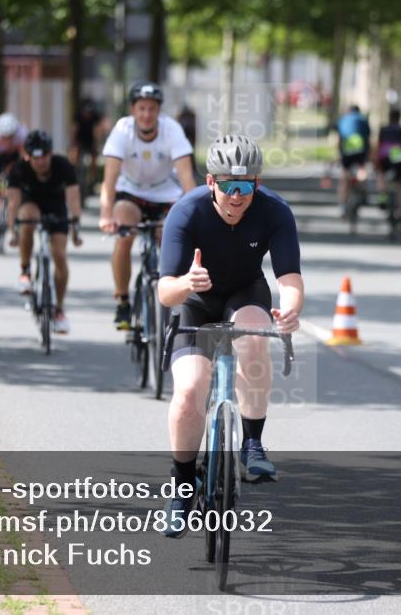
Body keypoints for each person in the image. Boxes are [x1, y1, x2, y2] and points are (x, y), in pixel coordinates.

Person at [157, 134, 303, 538]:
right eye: (228, 185)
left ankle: (253, 443)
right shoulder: (187, 212)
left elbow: (289, 277)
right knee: (189, 390)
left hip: (245, 292)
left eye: (245, 186)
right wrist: (186, 283)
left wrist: (291, 309)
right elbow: (164, 291)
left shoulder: (275, 211)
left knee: (255, 338)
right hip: (195, 300)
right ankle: (183, 484)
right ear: (210, 182)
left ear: (257, 183)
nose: (236, 196)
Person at [98, 81, 197, 329]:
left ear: (158, 111)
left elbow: (187, 178)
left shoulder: (172, 129)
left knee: (172, 238)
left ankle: (177, 299)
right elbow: (109, 180)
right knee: (124, 234)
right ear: (133, 110)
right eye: (141, 108)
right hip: (131, 194)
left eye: (152, 109)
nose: (146, 114)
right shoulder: (122, 130)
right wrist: (106, 214)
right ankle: (122, 300)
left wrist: (197, 214)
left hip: (166, 195)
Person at [6, 129, 82, 334]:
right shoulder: (19, 169)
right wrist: (13, 231)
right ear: (27, 157)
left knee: (59, 255)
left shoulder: (63, 165)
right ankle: (25, 271)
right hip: (31, 204)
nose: (41, 162)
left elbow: (73, 197)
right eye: (36, 158)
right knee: (27, 217)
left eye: (45, 156)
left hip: (56, 208)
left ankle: (59, 309)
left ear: (51, 154)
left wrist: (75, 226)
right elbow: (12, 204)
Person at [0, 113, 27, 247]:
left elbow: (26, 161)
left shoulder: (22, 136)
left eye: (10, 137)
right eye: (4, 137)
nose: (7, 140)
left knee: (16, 194)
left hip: (15, 158)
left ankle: (14, 229)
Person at [373, 107, 401, 224]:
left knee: (380, 173)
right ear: (400, 118)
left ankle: (382, 195)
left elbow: (379, 146)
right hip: (400, 157)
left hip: (385, 156)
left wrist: (375, 161)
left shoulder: (383, 129)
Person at [334, 105, 371, 216]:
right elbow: (368, 138)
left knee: (344, 176)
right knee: (361, 168)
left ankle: (342, 205)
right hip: (360, 150)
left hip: (346, 150)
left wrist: (338, 154)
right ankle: (363, 190)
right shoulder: (363, 119)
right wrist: (368, 155)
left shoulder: (343, 119)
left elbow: (338, 139)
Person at [69, 98, 102, 194]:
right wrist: (73, 143)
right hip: (80, 140)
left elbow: (98, 131)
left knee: (94, 159)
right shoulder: (78, 115)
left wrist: (96, 144)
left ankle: (93, 179)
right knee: (74, 157)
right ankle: (73, 174)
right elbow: (74, 130)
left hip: (90, 141)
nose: (87, 115)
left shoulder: (95, 116)